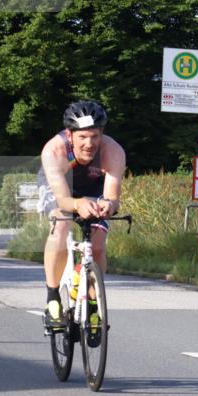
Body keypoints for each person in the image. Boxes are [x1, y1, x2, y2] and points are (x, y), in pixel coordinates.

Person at [39, 101, 126, 344]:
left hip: (94, 187)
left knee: (97, 242)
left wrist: (109, 205)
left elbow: (112, 196)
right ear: (70, 135)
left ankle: (92, 303)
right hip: (60, 189)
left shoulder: (113, 152)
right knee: (61, 223)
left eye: (95, 136)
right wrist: (77, 205)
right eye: (83, 137)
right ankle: (53, 297)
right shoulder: (53, 151)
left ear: (102, 134)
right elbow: (64, 199)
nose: (90, 144)